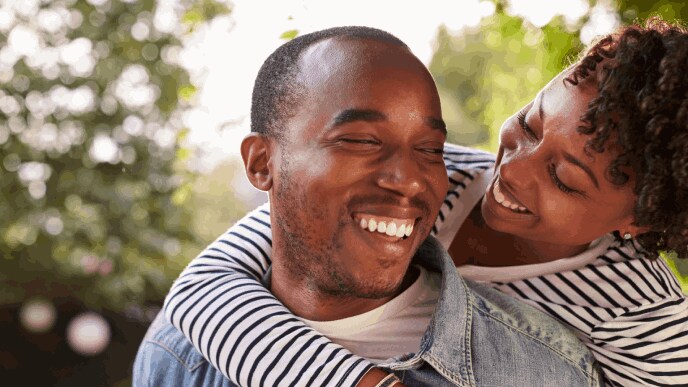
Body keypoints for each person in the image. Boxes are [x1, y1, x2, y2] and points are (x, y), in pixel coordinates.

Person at [160, 17, 688, 387]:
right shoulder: (439, 172)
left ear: (638, 223)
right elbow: (204, 286)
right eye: (530, 124)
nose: (514, 167)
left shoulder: (644, 318)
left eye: (565, 178)